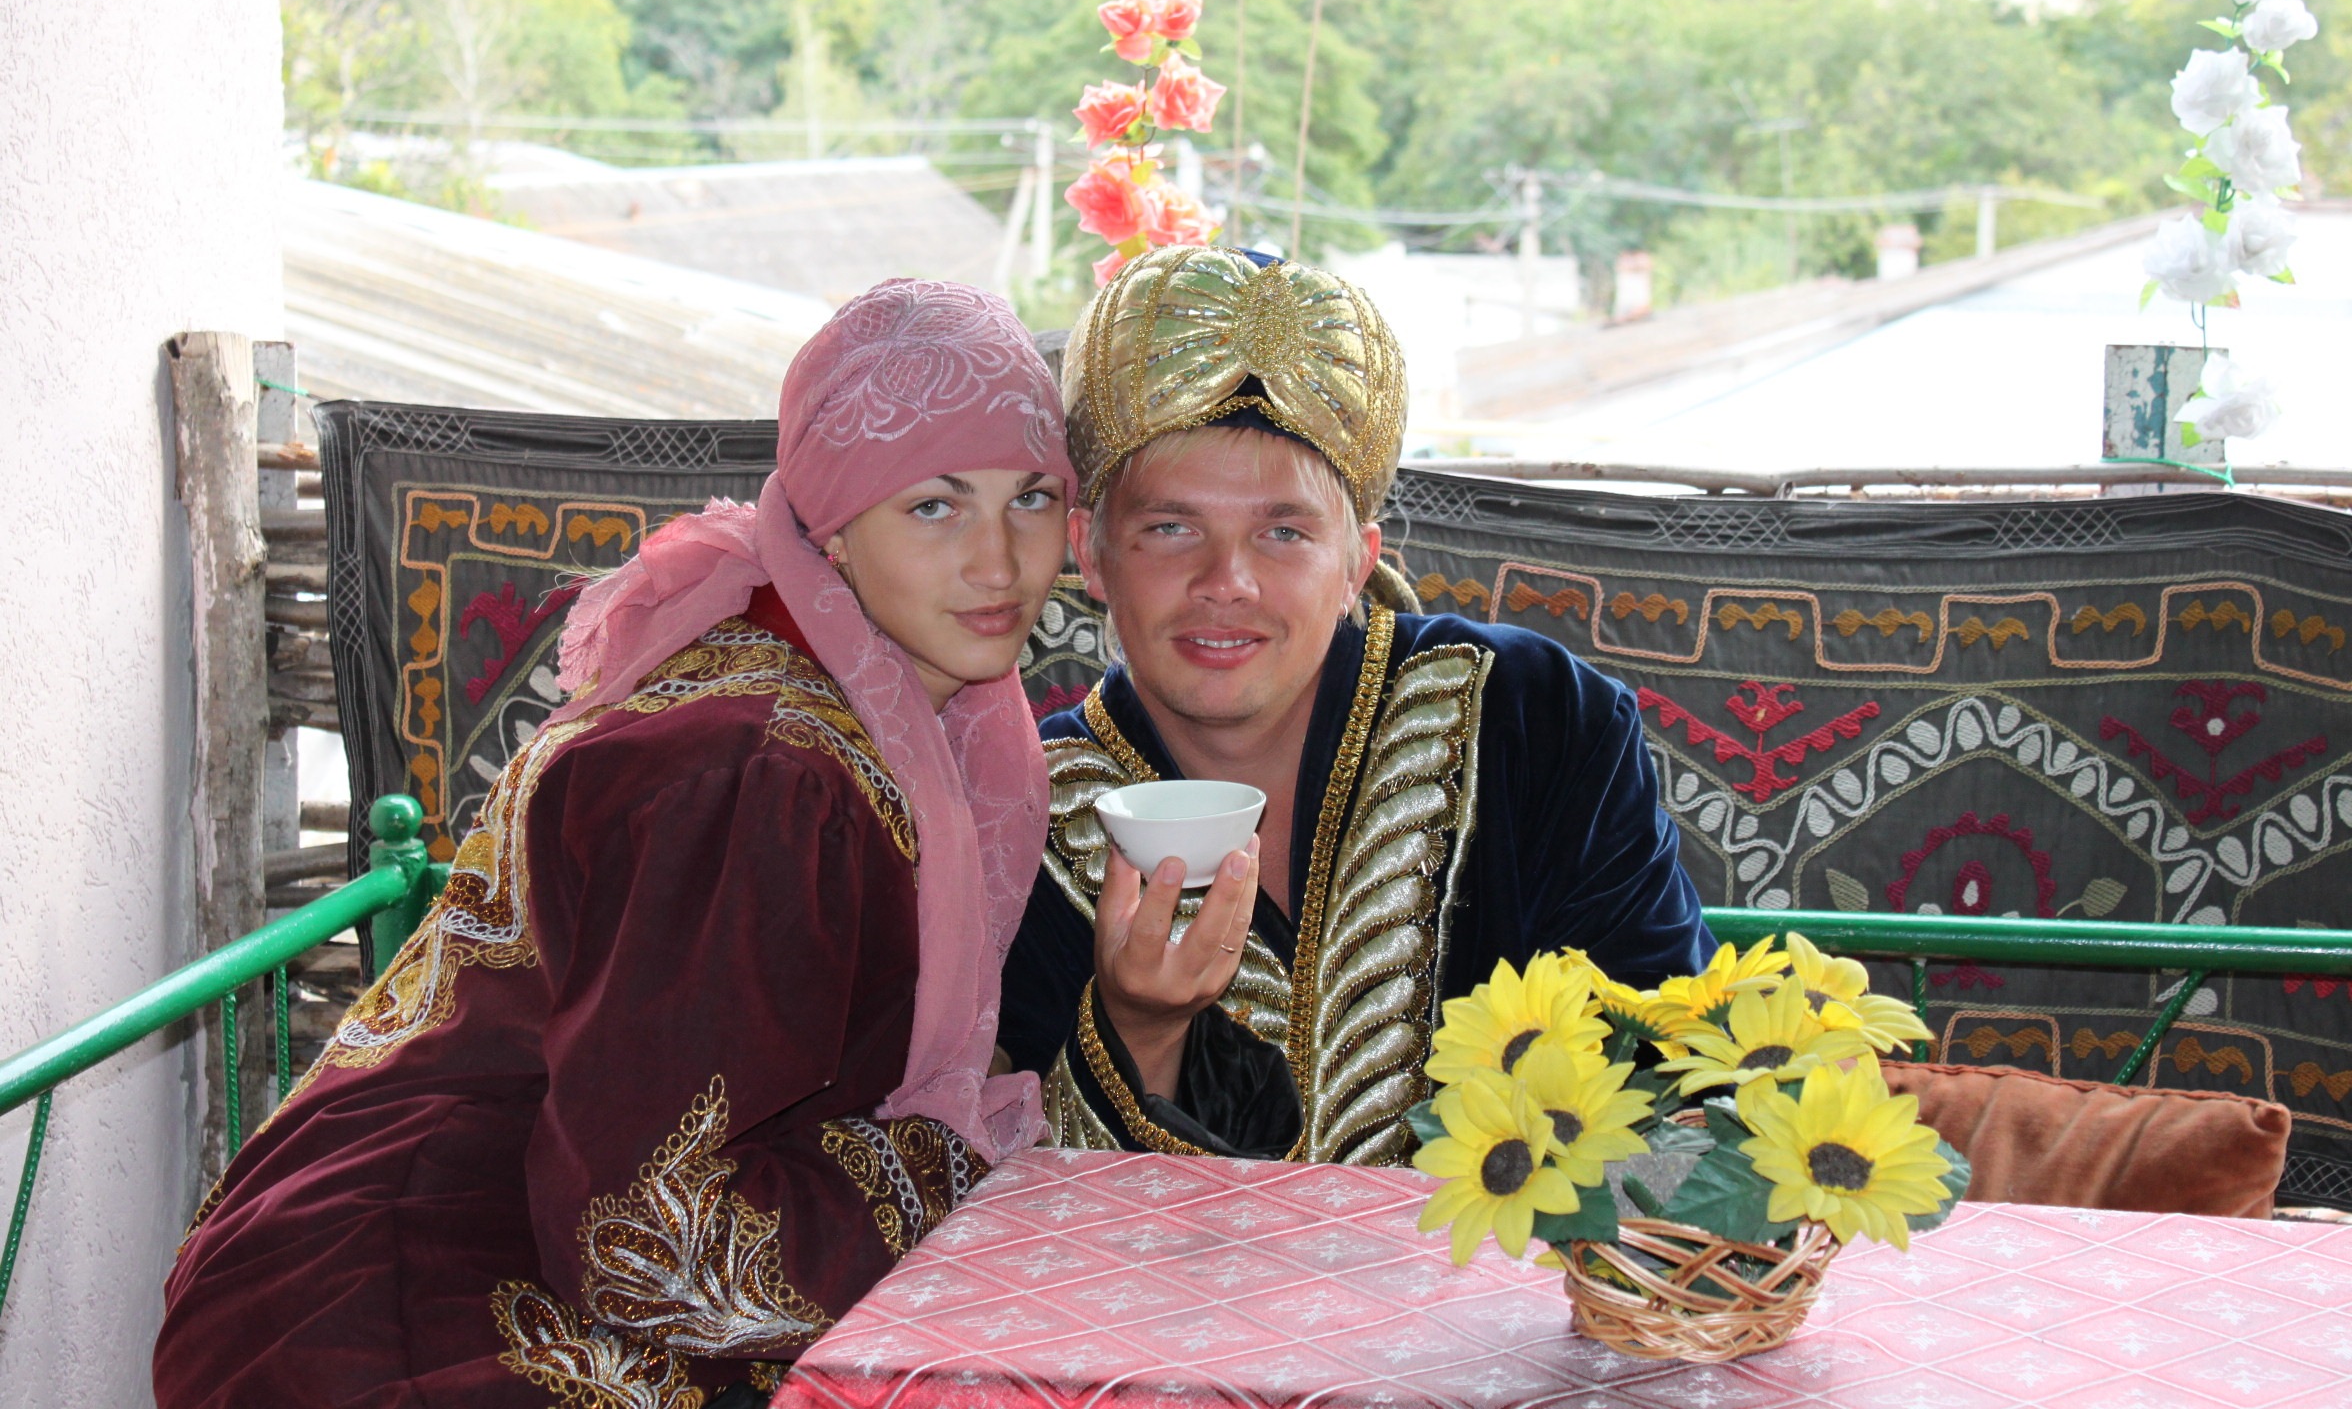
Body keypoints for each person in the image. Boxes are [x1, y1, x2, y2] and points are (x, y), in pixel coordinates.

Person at [155, 280, 1075, 1408]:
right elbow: (650, 1240)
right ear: (834, 525)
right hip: (391, 1316)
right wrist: (954, 1158)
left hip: (466, 1248)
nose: (1000, 562)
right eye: (934, 505)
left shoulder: (881, 715)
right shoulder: (765, 773)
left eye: (1033, 498)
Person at [997, 246, 1715, 1163]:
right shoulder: (1027, 808)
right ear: (1090, 554)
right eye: (1170, 528)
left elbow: (1670, 1076)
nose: (1227, 581)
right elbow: (1016, 1188)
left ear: (1356, 563)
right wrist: (1138, 1029)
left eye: (1284, 532)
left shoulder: (1535, 721)